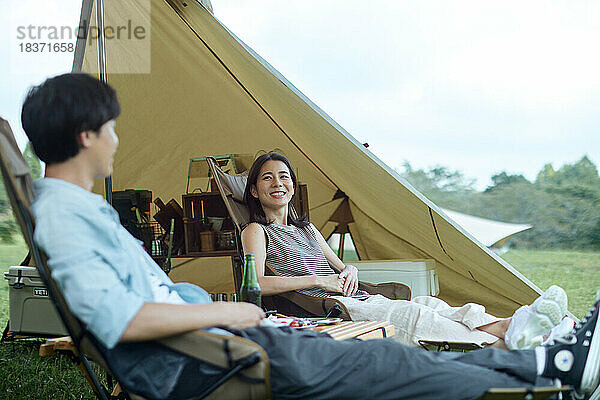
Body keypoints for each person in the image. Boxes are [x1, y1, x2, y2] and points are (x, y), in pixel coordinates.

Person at [23, 73, 599, 400]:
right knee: (388, 365)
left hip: (221, 339)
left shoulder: (74, 210)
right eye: (112, 129)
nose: (119, 141)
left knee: (388, 355)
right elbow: (124, 320)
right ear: (84, 135)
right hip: (211, 358)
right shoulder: (65, 219)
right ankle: (548, 372)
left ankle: (548, 364)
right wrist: (236, 316)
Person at [241, 152, 571, 349]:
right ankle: (522, 335)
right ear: (254, 190)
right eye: (267, 178)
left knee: (432, 305)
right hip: (327, 310)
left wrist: (350, 271)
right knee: (416, 316)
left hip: (356, 299)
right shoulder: (256, 231)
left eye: (283, 176)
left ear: (293, 186)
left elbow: (342, 267)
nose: (277, 183)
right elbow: (254, 283)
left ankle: (516, 325)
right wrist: (324, 284)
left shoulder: (307, 228)